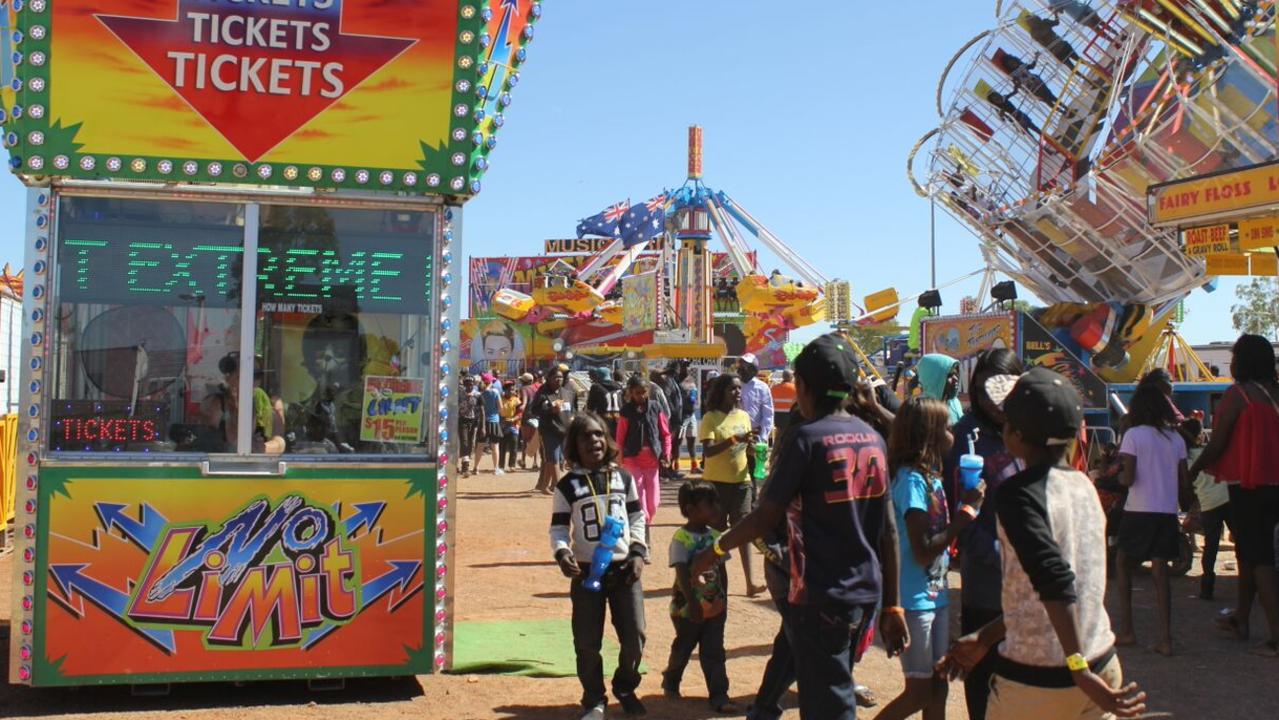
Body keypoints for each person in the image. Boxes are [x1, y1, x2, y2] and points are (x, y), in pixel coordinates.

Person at [693, 333, 908, 720]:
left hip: (819, 594)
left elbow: (764, 516)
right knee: (824, 681)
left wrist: (715, 550)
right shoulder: (874, 438)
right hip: (865, 592)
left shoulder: (807, 439)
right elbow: (888, 530)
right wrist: (893, 604)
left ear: (804, 388)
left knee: (829, 701)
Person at [937, 367, 1147, 720]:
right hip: (1102, 661)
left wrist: (1078, 670)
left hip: (1045, 682)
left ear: (1015, 435)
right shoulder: (1083, 486)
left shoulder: (1019, 496)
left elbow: (1055, 582)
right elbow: (1042, 592)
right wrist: (986, 637)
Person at [875, 397, 983, 720]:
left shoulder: (930, 477)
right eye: (947, 427)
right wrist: (965, 514)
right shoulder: (910, 481)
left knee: (939, 684)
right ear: (930, 435)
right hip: (913, 601)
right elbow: (922, 550)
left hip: (934, 597)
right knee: (919, 690)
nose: (953, 433)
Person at [939, 349, 1023, 720]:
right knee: (985, 681)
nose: (995, 399)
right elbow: (957, 507)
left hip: (1030, 579)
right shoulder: (966, 437)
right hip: (988, 578)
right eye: (988, 389)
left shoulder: (1030, 432)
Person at [549, 412, 648, 720]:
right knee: (587, 641)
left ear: (607, 440)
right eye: (585, 436)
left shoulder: (624, 478)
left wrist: (638, 553)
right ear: (574, 446)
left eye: (598, 435)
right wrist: (562, 553)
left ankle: (625, 686)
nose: (593, 441)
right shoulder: (567, 486)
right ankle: (594, 699)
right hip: (587, 572)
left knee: (635, 637)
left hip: (624, 570)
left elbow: (637, 517)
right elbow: (558, 529)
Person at [1188, 334, 1279, 655]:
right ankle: (1241, 617)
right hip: (1275, 486)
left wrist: (1193, 469)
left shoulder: (1239, 395)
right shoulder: (1274, 394)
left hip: (1249, 487)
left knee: (1260, 559)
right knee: (1248, 555)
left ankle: (1275, 638)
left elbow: (1217, 443)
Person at [1113, 383, 1187, 656]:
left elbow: (1129, 478)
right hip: (1166, 511)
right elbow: (1185, 481)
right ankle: (1166, 638)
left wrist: (1119, 478)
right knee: (1160, 571)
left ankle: (1128, 630)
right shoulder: (1175, 439)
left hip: (1138, 510)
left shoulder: (1133, 436)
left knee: (1122, 562)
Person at [662, 481, 736, 714]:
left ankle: (719, 694)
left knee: (714, 650)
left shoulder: (717, 537)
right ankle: (671, 679)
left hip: (715, 607)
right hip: (687, 608)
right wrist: (693, 603)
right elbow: (682, 573)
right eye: (709, 504)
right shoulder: (681, 539)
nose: (716, 508)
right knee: (684, 646)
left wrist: (724, 598)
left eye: (716, 502)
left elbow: (722, 571)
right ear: (691, 510)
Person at [698, 373, 766, 597]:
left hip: (742, 481)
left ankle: (750, 582)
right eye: (732, 389)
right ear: (721, 392)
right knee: (716, 535)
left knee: (743, 531)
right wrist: (735, 440)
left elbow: (744, 448)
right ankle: (716, 580)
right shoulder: (710, 418)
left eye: (738, 389)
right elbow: (708, 451)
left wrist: (751, 447)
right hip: (716, 484)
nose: (737, 392)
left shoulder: (744, 417)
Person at [1182, 417, 1230, 600]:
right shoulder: (1208, 451)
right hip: (1227, 497)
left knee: (1211, 546)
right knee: (1242, 542)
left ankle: (1207, 587)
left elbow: (1187, 486)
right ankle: (1251, 583)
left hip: (1208, 503)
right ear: (1200, 434)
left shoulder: (1184, 459)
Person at [616, 374, 671, 528]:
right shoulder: (626, 411)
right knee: (639, 497)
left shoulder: (655, 407)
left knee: (654, 502)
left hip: (652, 459)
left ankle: (646, 520)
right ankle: (643, 526)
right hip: (632, 459)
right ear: (631, 393)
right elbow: (620, 438)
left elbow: (665, 433)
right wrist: (619, 458)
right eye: (637, 393)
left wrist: (666, 453)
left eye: (644, 392)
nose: (641, 396)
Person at [531, 365, 578, 494]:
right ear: (549, 378)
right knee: (553, 459)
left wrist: (573, 418)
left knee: (554, 460)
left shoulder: (568, 393)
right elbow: (534, 410)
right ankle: (560, 489)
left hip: (565, 431)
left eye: (561, 377)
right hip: (549, 430)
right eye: (556, 377)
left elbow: (573, 410)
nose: (559, 380)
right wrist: (550, 410)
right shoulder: (543, 392)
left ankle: (544, 486)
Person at [737, 355, 775, 461]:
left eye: (745, 365)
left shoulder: (762, 388)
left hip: (756, 438)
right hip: (736, 436)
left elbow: (768, 415)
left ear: (753, 369)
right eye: (740, 365)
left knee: (757, 474)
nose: (741, 368)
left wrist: (762, 438)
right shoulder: (734, 385)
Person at [916, 353, 963, 425]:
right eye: (949, 375)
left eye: (956, 374)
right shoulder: (921, 411)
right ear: (933, 378)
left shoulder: (955, 404)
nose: (956, 379)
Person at [657, 364, 686, 479]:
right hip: (672, 420)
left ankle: (670, 469)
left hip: (676, 419)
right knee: (670, 445)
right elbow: (667, 398)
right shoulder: (669, 381)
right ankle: (666, 470)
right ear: (674, 371)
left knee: (674, 445)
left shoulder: (673, 380)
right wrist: (673, 412)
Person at [476, 377, 504, 475]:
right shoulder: (495, 392)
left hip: (483, 422)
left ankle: (476, 468)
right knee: (495, 446)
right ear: (491, 382)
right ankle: (496, 468)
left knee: (480, 446)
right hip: (494, 421)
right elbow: (501, 408)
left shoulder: (480, 394)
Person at [586, 366, 624, 436]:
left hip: (603, 420)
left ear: (598, 376)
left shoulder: (596, 387)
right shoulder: (619, 386)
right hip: (618, 419)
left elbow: (590, 407)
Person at [675, 370, 700, 473]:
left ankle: (694, 465)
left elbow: (694, 398)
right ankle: (675, 465)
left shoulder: (692, 383)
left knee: (692, 439)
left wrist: (692, 396)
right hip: (682, 415)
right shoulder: (677, 383)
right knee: (678, 441)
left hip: (691, 415)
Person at [458, 375, 481, 476]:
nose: (469, 386)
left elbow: (482, 411)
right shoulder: (459, 395)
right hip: (462, 421)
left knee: (471, 443)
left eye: (471, 384)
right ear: (464, 385)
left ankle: (467, 461)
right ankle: (465, 467)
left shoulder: (477, 395)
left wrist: (482, 425)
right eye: (467, 384)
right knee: (464, 442)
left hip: (474, 422)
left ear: (473, 385)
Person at [498, 380, 523, 472]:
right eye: (509, 390)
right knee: (502, 446)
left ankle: (512, 465)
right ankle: (501, 465)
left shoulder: (516, 400)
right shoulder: (500, 399)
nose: (511, 391)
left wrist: (513, 419)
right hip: (502, 425)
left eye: (512, 389)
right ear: (505, 390)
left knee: (514, 445)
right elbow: (497, 412)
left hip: (513, 425)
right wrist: (501, 421)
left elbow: (520, 413)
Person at [519, 372, 540, 471]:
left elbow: (525, 401)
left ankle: (523, 461)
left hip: (527, 417)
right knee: (534, 441)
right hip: (537, 417)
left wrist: (521, 407)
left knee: (525, 441)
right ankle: (535, 463)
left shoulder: (524, 389)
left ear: (524, 381)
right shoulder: (537, 388)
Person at [771, 369, 797, 437]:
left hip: (777, 416)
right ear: (792, 377)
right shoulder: (795, 388)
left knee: (779, 434)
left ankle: (777, 446)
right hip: (790, 416)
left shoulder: (774, 388)